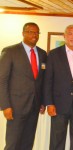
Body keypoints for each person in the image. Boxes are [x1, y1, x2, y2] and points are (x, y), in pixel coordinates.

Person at [0, 22, 47, 150]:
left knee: (28, 143)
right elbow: (2, 80)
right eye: (31, 32)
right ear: (23, 33)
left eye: (37, 32)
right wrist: (5, 105)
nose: (34, 35)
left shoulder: (43, 54)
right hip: (15, 107)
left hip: (34, 106)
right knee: (13, 143)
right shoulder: (10, 51)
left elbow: (41, 81)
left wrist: (42, 101)